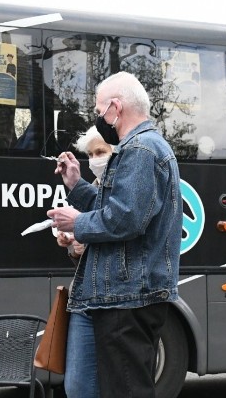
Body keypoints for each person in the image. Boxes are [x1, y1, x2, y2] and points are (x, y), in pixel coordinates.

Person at [47, 72, 182, 398]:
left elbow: (125, 221)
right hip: (120, 294)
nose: (97, 118)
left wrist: (77, 222)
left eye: (98, 109)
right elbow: (119, 211)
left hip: (127, 297)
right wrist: (77, 187)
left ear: (115, 108)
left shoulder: (141, 149)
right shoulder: (140, 148)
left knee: (124, 389)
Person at [54, 126, 113, 398]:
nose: (95, 159)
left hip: (113, 300)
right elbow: (90, 248)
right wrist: (75, 246)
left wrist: (81, 229)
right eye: (90, 154)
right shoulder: (97, 188)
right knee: (77, 386)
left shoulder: (128, 187)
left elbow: (121, 232)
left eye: (100, 151)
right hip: (86, 297)